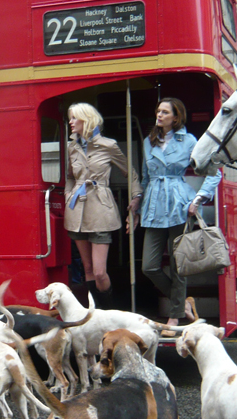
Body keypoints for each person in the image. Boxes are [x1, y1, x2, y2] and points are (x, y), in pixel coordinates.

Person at [129, 97, 220, 328]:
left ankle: (175, 313)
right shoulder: (149, 141)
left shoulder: (189, 140)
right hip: (154, 205)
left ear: (176, 117)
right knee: (149, 266)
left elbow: (213, 172)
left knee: (179, 264)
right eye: (158, 111)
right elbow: (146, 176)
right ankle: (182, 302)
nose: (159, 115)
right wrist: (137, 202)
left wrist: (198, 199)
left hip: (179, 204)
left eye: (165, 112)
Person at [64, 102, 141, 308]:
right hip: (76, 210)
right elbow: (70, 177)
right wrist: (68, 195)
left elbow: (130, 172)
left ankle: (108, 312)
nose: (71, 122)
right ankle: (95, 314)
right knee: (87, 268)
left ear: (86, 120)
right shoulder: (72, 146)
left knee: (99, 272)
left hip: (101, 209)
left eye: (74, 118)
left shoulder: (108, 145)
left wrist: (136, 198)